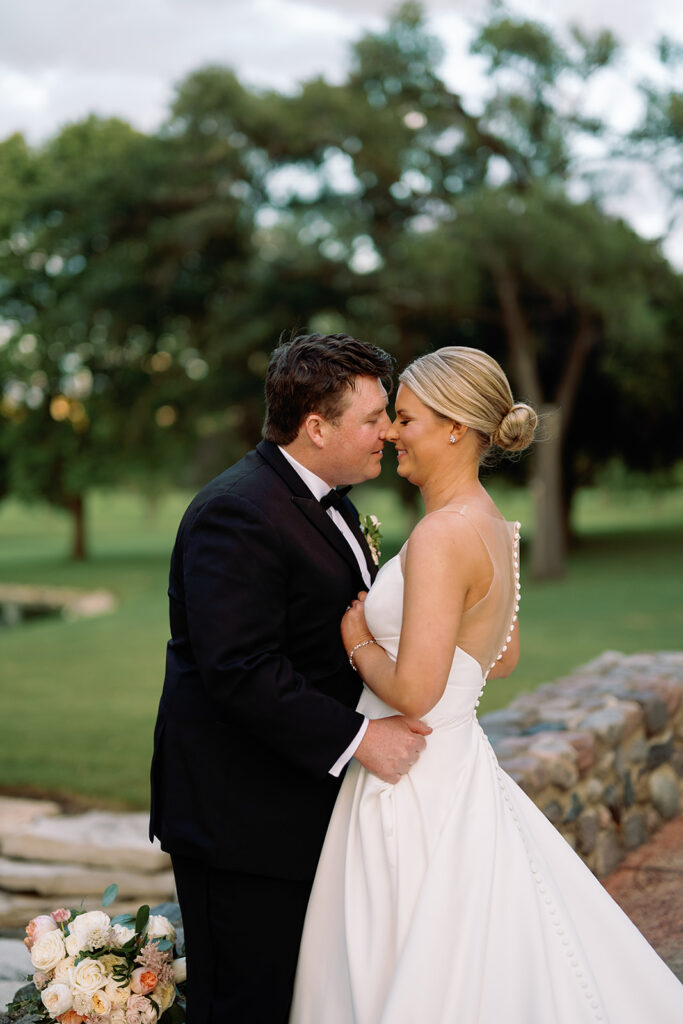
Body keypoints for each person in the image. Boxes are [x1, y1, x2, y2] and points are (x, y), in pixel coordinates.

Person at [290, 346, 683, 1023]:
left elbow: (413, 691)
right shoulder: (494, 528)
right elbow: (498, 657)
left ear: (453, 428)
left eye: (404, 419)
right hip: (458, 762)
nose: (388, 433)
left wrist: (358, 641)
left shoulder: (443, 534)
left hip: (409, 776)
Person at [149, 332, 431, 1024]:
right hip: (240, 819)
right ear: (316, 427)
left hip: (298, 805)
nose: (387, 432)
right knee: (247, 1003)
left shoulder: (320, 499)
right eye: (372, 418)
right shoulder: (237, 512)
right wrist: (361, 737)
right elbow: (239, 670)